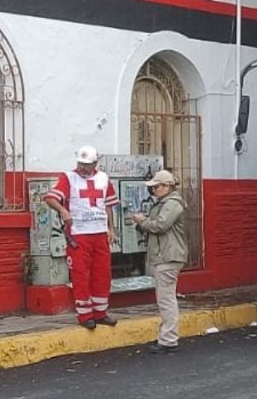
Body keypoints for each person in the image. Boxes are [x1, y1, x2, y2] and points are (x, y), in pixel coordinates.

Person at [44, 145, 119, 330]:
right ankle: (85, 315)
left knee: (102, 273)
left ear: (96, 163)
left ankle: (100, 312)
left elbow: (108, 205)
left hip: (100, 233)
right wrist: (63, 210)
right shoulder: (68, 178)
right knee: (80, 274)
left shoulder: (103, 178)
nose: (83, 168)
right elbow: (50, 198)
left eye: (87, 164)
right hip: (78, 235)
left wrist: (112, 228)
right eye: (81, 163)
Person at [130, 170, 188, 354]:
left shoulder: (171, 204)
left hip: (168, 256)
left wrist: (142, 221)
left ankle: (169, 340)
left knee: (166, 299)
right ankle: (167, 336)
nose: (153, 190)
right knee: (165, 298)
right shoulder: (166, 203)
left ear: (167, 186)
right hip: (166, 255)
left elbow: (160, 226)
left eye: (156, 187)